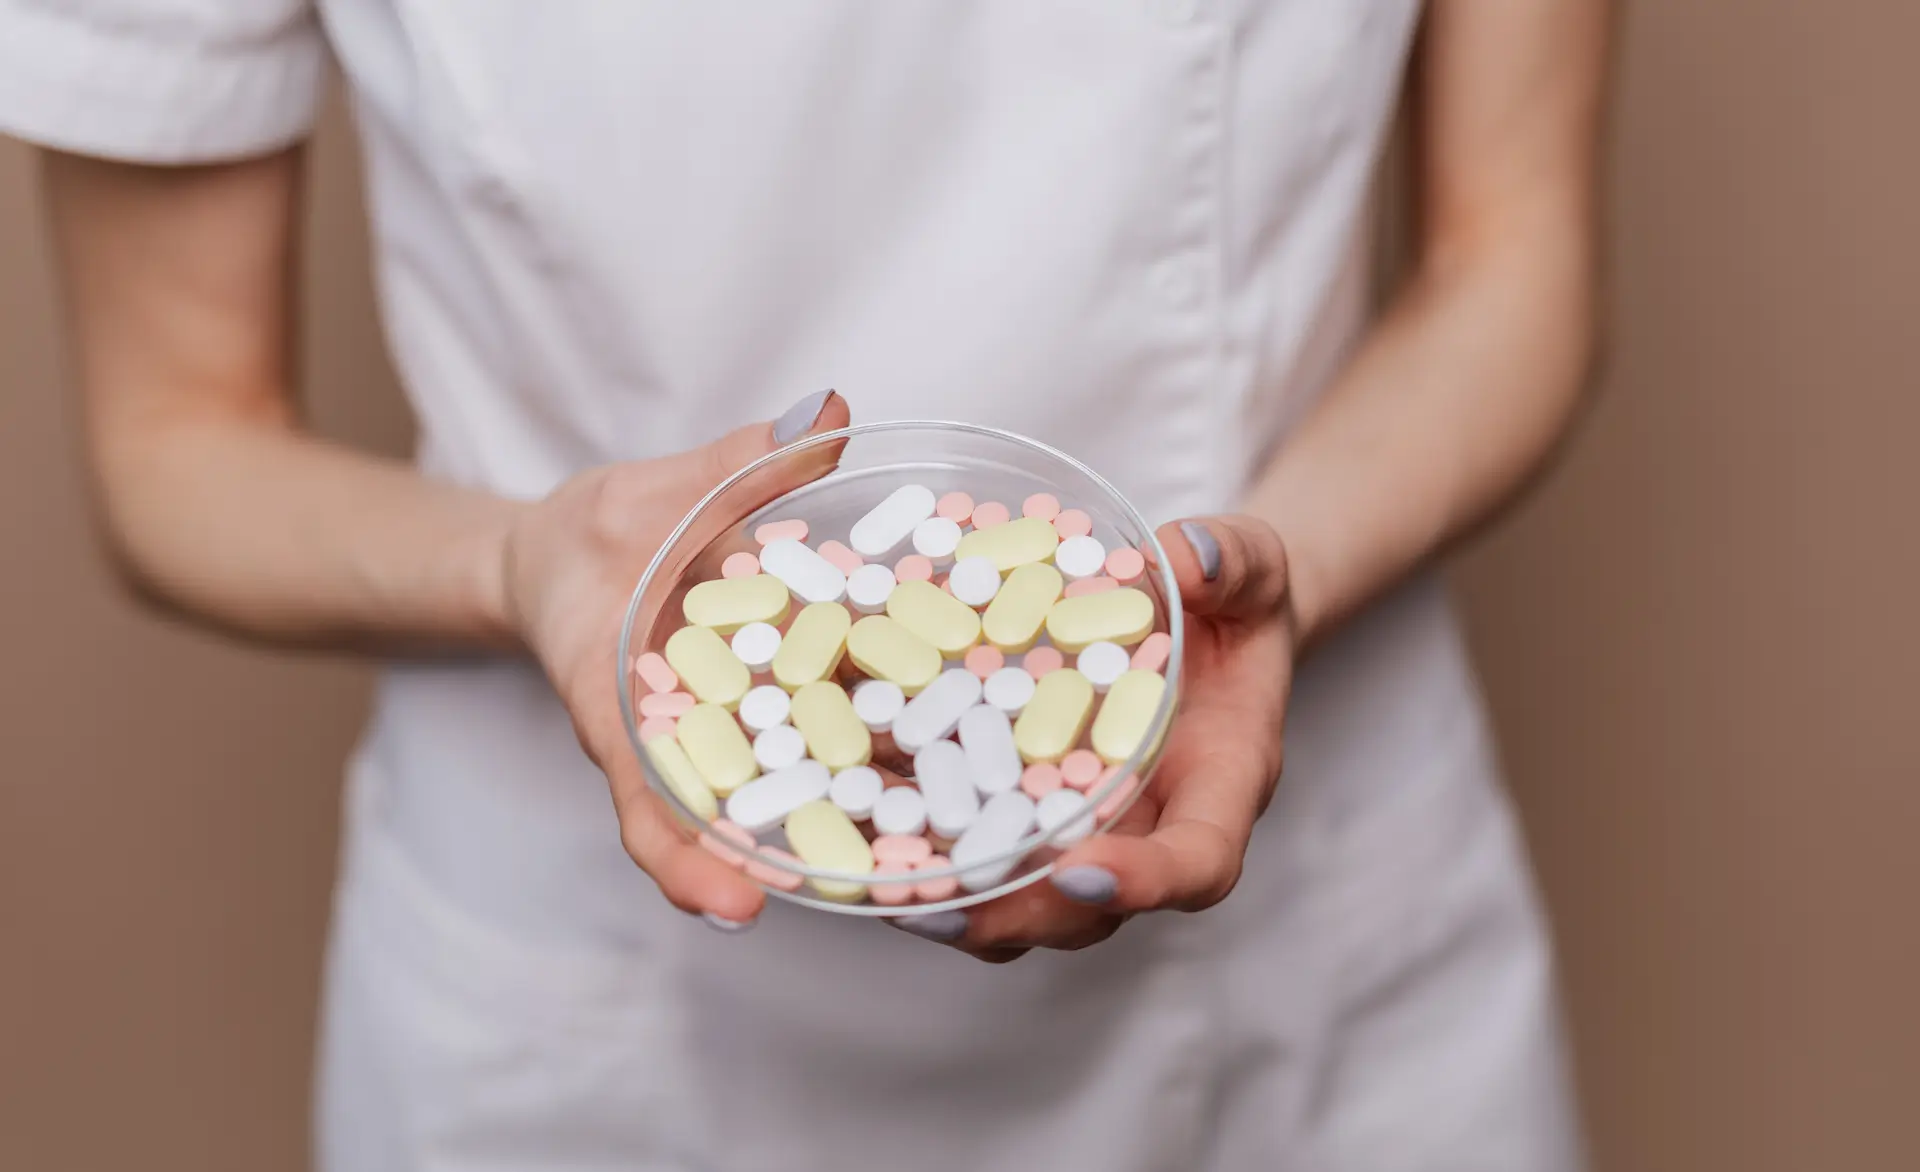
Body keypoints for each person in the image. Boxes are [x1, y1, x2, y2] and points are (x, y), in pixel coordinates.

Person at [1, 1, 1608, 1167]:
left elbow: (1512, 253)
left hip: (1311, 955)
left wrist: (1271, 575)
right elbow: (172, 443)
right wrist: (518, 563)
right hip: (587, 999)